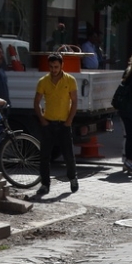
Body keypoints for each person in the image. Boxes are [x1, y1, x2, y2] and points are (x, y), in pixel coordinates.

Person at [33, 52, 78, 194]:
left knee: (68, 155)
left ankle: (72, 178)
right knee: (45, 156)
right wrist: (42, 119)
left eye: (56, 66)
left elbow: (75, 101)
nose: (54, 70)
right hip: (49, 123)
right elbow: (36, 101)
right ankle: (45, 184)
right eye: (51, 67)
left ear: (62, 65)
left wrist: (69, 120)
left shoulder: (70, 80)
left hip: (64, 123)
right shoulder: (43, 81)